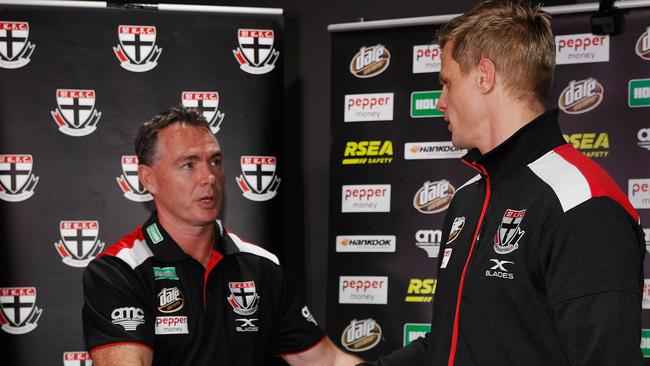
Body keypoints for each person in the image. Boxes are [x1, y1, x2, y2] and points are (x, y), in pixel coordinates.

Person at [361, 1, 645, 365]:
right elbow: (451, 344)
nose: (439, 101)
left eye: (447, 83)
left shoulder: (582, 202)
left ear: (484, 76)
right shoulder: (467, 198)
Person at [82, 106, 362, 366]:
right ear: (148, 179)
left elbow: (326, 360)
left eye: (215, 161)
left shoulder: (260, 265)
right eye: (189, 165)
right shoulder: (118, 271)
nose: (209, 177)